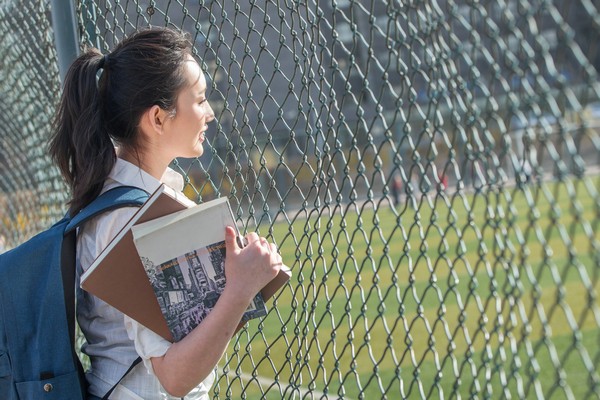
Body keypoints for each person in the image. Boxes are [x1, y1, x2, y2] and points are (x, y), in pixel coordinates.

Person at [49, 27, 283, 399]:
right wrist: (241, 288)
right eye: (201, 99)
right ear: (158, 118)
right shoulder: (140, 216)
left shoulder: (110, 197)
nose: (209, 113)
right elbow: (174, 377)